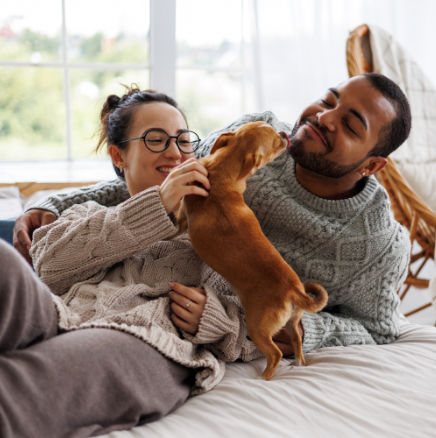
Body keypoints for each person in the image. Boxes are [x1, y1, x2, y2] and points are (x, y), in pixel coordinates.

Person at [14, 73, 413, 356]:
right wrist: (51, 204)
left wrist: (255, 324)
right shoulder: (256, 136)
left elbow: (376, 329)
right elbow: (170, 180)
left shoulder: (379, 245)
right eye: (329, 100)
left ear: (371, 165)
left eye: (349, 124)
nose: (324, 117)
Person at [0, 87, 264, 438]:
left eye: (183, 141)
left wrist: (216, 319)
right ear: (118, 156)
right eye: (156, 140)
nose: (174, 151)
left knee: (21, 386)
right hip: (59, 316)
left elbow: (262, 321)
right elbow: (47, 267)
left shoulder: (216, 235)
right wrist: (158, 203)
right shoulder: (88, 214)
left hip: (145, 341)